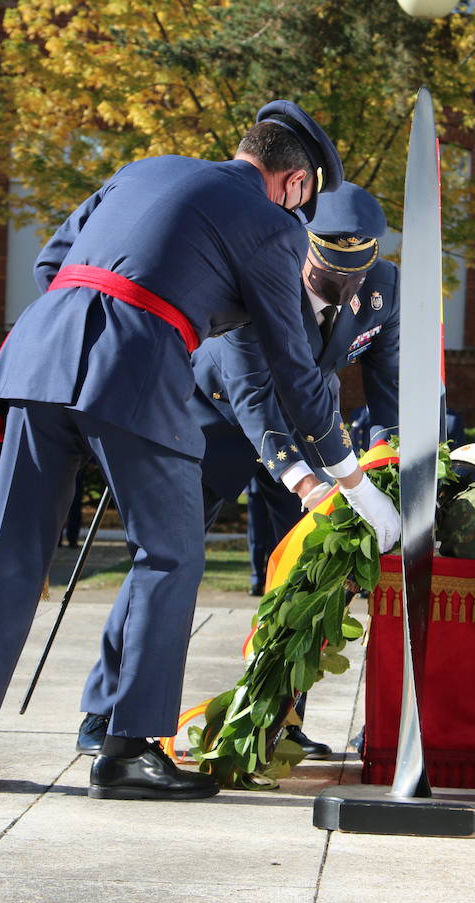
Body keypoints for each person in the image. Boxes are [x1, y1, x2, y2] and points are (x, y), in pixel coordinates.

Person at [0, 101, 401, 802]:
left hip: (40, 353)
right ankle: (127, 750)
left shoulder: (143, 167)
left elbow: (50, 261)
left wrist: (88, 344)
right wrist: (353, 481)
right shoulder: (273, 227)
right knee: (171, 552)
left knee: (11, 549)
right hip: (139, 366)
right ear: (297, 183)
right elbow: (295, 374)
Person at [183, 181, 399, 760]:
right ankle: (109, 712)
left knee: (303, 581)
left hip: (315, 431)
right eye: (331, 276)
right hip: (216, 427)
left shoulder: (381, 287)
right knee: (168, 565)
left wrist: (387, 466)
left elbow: (389, 391)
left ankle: (281, 715)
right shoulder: (263, 275)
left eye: (355, 276)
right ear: (305, 250)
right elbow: (252, 396)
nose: (346, 289)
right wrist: (307, 482)